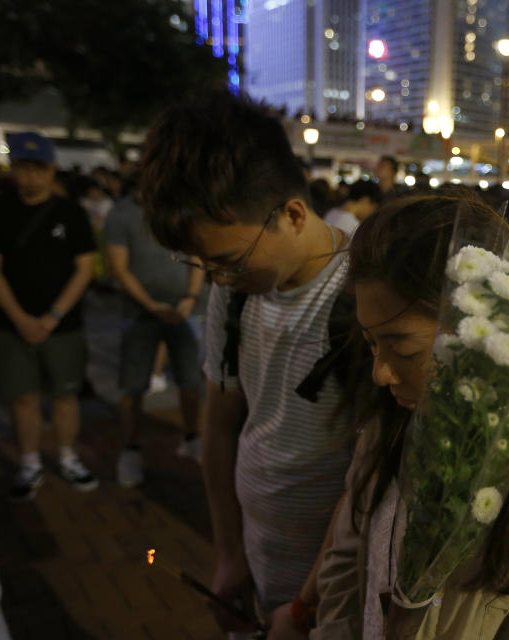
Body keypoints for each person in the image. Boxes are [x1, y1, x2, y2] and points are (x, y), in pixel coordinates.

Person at [267, 194, 509, 639]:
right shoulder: (398, 414)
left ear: (484, 323)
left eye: (403, 349)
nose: (380, 372)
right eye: (371, 343)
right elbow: (351, 555)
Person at [139, 93, 354, 629]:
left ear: (293, 214)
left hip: (339, 593)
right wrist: (229, 553)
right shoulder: (234, 291)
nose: (217, 278)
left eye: (228, 261)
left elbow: (375, 484)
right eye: (205, 264)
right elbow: (220, 425)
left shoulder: (368, 295)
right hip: (261, 567)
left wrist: (306, 603)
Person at [0, 132, 99, 500]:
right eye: (22, 168)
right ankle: (29, 462)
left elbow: (85, 268)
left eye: (38, 169)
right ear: (12, 169)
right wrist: (20, 318)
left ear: (52, 170)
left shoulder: (71, 212)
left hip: (62, 325)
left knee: (65, 396)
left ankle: (67, 456)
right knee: (24, 398)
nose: (30, 177)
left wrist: (52, 316)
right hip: (10, 325)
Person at [104, 182, 205, 487]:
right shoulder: (122, 215)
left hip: (183, 310)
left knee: (190, 380)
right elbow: (119, 269)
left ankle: (192, 437)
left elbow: (197, 256)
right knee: (133, 385)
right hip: (139, 314)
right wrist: (150, 305)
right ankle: (131, 449)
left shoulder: (182, 211)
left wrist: (189, 296)